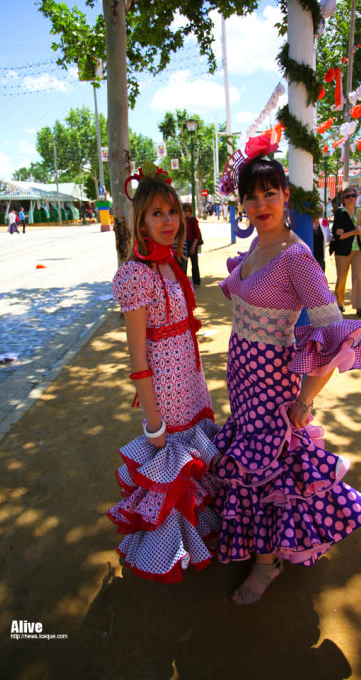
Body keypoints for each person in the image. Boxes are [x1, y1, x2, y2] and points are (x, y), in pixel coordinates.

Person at [211, 153, 361, 605]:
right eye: (251, 197)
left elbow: (333, 338)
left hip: (273, 386)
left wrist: (304, 403)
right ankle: (264, 552)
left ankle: (266, 565)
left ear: (286, 195)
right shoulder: (256, 247)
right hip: (243, 380)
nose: (260, 204)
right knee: (253, 468)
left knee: (270, 473)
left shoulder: (297, 258)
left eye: (270, 193)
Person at [108, 163, 220, 582]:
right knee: (170, 469)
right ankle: (166, 553)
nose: (168, 221)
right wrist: (152, 421)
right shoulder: (136, 274)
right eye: (157, 213)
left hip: (190, 379)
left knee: (193, 464)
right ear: (141, 221)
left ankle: (197, 538)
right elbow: (137, 354)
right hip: (165, 393)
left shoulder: (173, 262)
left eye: (172, 211)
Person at [331, 187, 361, 317]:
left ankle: (359, 306)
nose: (351, 198)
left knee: (357, 277)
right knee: (341, 278)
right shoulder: (340, 213)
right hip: (342, 250)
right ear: (343, 200)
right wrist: (354, 232)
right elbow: (337, 232)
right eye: (347, 196)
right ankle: (339, 304)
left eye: (353, 195)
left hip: (358, 250)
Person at [183, 202, 202, 287]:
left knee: (194, 264)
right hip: (184, 243)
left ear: (190, 211)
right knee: (183, 264)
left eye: (187, 211)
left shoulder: (193, 220)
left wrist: (193, 246)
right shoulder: (181, 220)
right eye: (184, 211)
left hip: (192, 242)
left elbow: (197, 234)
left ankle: (196, 282)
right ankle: (184, 283)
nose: (185, 212)